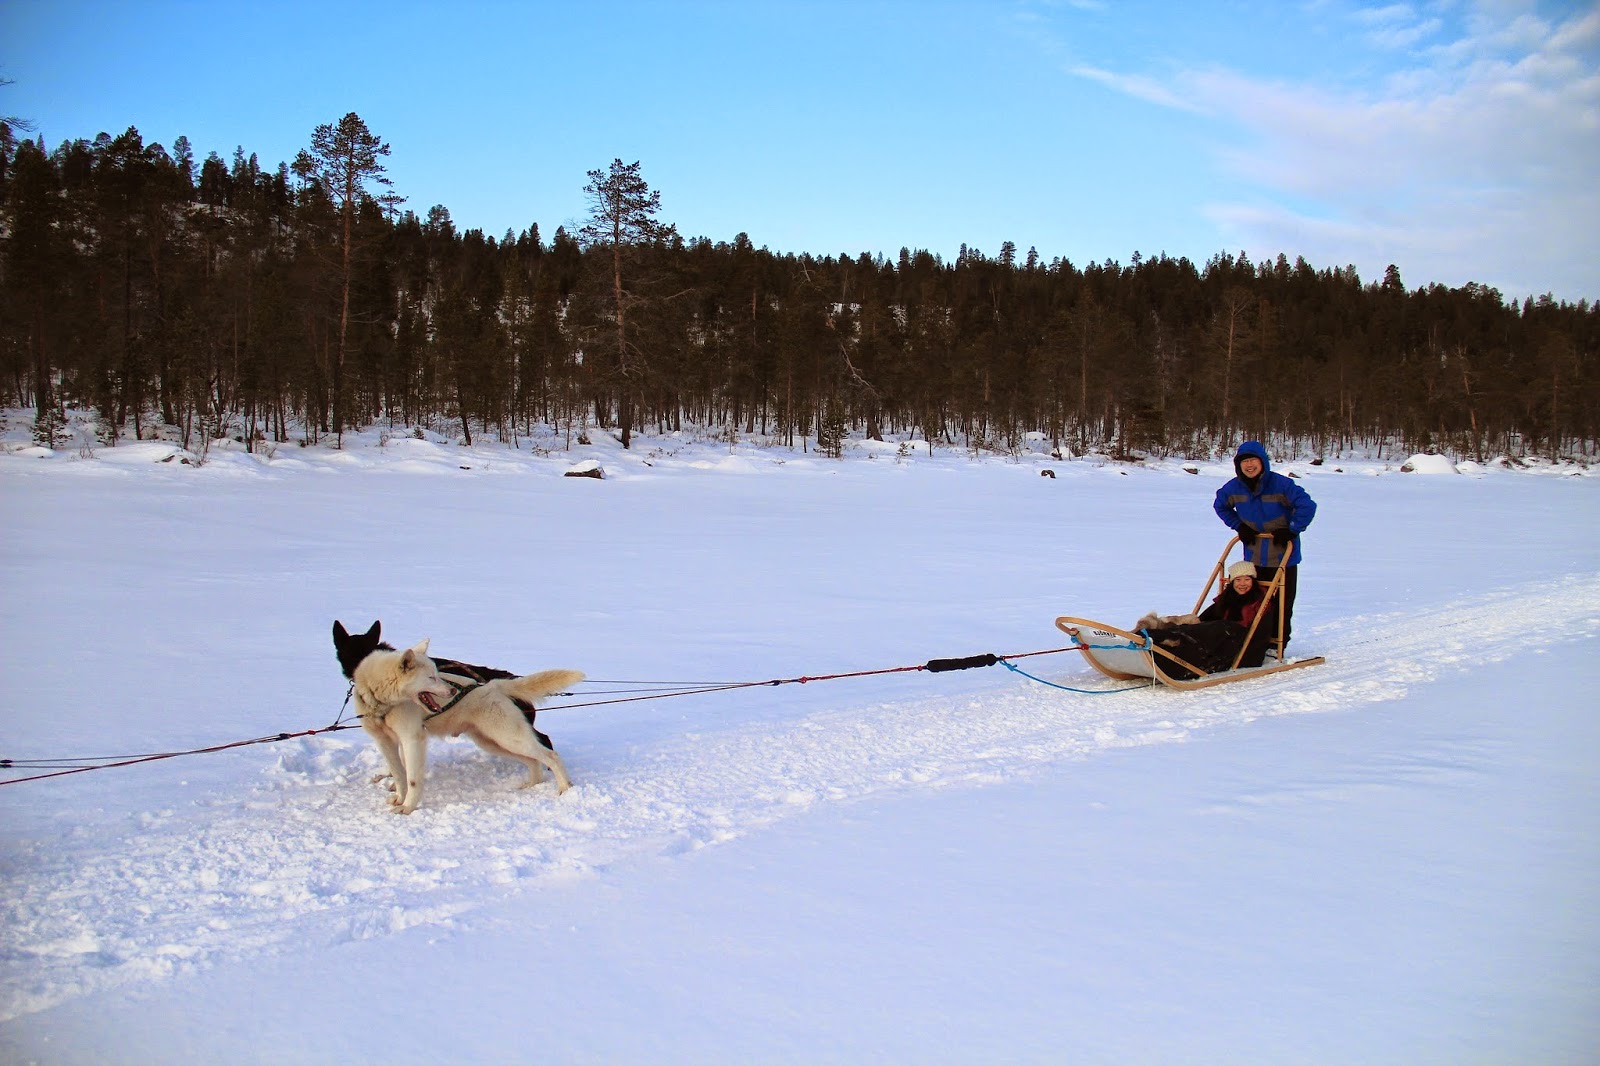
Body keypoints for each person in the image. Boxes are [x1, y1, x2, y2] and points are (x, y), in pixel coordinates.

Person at [1213, 440, 1315, 656]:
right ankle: (1245, 639)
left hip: (1283, 553)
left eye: (1253, 461)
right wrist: (1239, 525)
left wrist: (1292, 529)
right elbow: (1220, 505)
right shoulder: (1234, 487)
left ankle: (1276, 643)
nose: (1249, 466)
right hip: (1255, 554)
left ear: (1263, 462)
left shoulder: (1281, 485)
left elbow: (1307, 505)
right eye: (1244, 462)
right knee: (1250, 601)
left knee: (1281, 603)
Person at [1144, 560, 1271, 677]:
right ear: (1232, 582)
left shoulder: (1260, 601)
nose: (1242, 584)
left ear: (1253, 581)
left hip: (1238, 639)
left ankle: (1157, 640)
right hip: (1223, 634)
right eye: (1238, 580)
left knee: (1215, 628)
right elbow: (1207, 616)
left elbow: (1261, 633)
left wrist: (1251, 658)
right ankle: (1154, 639)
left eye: (1247, 579)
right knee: (1191, 628)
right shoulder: (1227, 597)